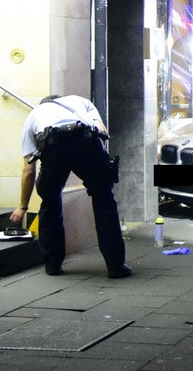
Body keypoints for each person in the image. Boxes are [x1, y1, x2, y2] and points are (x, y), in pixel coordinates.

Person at [11, 95, 131, 278]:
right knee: (104, 199)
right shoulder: (80, 101)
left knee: (50, 201)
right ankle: (116, 266)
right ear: (60, 99)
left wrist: (22, 207)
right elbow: (101, 130)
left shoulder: (33, 115)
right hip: (85, 140)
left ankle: (52, 265)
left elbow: (28, 170)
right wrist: (98, 167)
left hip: (53, 144)